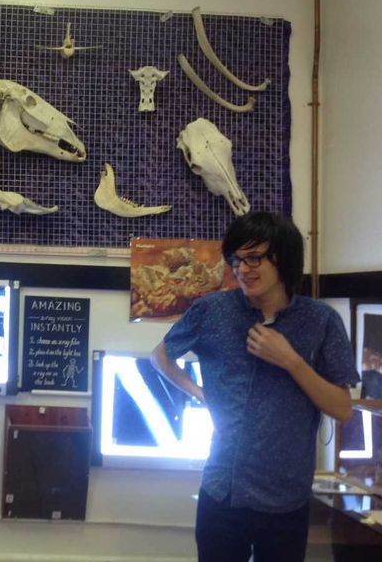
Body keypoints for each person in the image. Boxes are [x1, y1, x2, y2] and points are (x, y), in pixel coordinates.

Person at [150, 211, 360, 562]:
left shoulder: (321, 321)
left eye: (255, 258)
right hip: (222, 490)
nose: (242, 269)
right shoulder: (212, 310)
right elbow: (160, 357)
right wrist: (201, 394)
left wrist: (291, 360)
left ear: (285, 259)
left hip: (286, 499)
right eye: (236, 259)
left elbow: (342, 408)